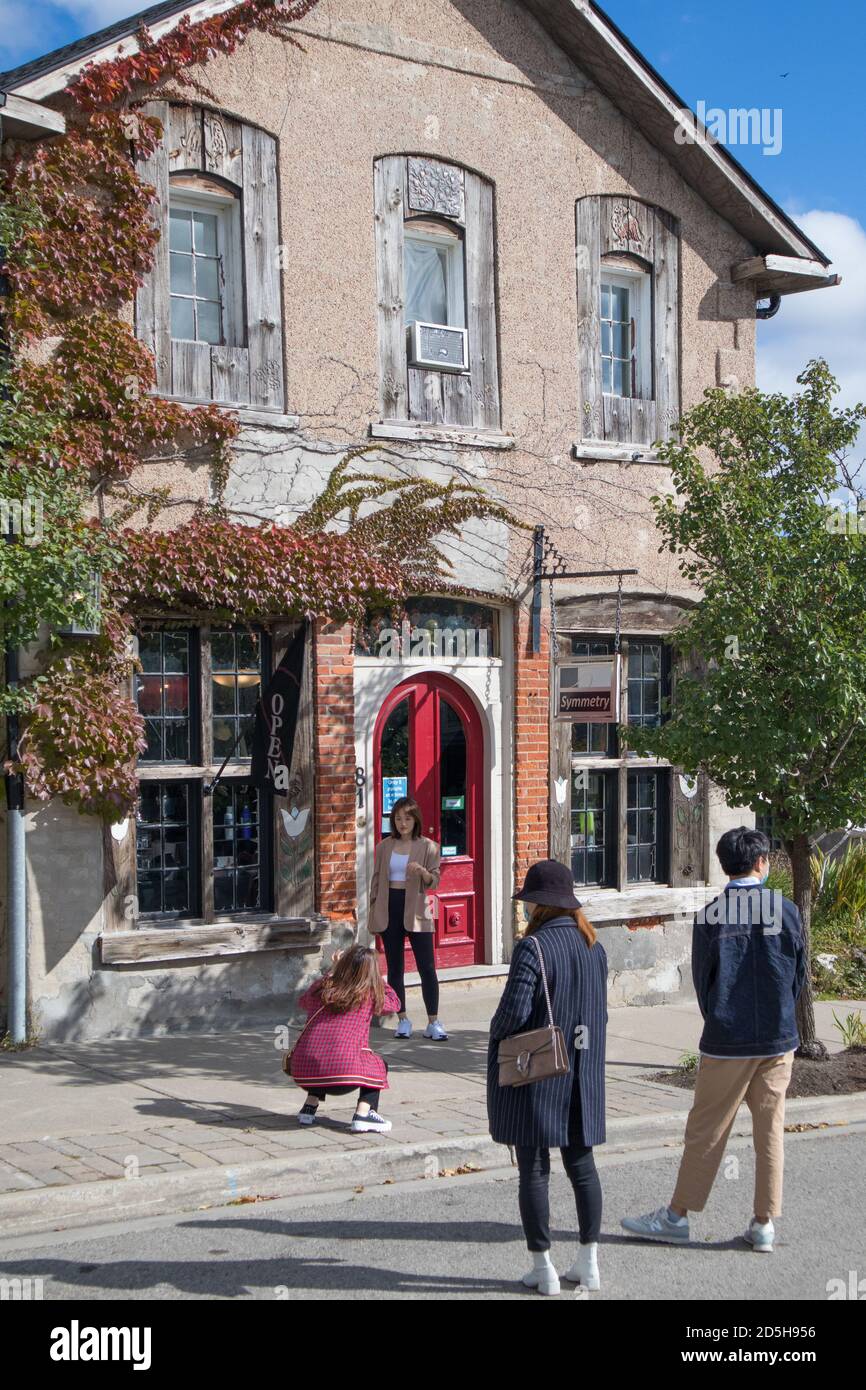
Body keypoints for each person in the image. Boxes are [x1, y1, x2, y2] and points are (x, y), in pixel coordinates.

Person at [621, 826, 806, 1253]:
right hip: (778, 1037)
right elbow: (798, 974)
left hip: (728, 1038)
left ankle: (677, 1216)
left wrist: (720, 1017)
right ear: (761, 862)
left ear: (724, 865)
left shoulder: (711, 915)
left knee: (706, 1131)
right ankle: (764, 1223)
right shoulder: (786, 910)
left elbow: (704, 985)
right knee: (770, 1130)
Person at [487, 859, 608, 1295]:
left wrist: (493, 1033)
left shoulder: (533, 948)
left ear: (537, 904)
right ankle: (589, 1263)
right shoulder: (594, 944)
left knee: (534, 1169)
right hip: (584, 1069)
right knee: (582, 1166)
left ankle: (544, 1268)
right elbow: (602, 1014)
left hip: (539, 1070)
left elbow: (514, 1013)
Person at [289, 944, 402, 1133]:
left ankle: (309, 1107)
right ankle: (363, 1114)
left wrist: (333, 971)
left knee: (323, 1050)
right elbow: (395, 1004)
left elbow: (303, 1001)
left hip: (303, 1071)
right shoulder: (370, 994)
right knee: (379, 1064)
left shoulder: (322, 988)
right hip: (343, 1077)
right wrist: (377, 979)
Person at [368, 795, 447, 1040]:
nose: (403, 823)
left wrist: (422, 872)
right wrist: (373, 907)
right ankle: (402, 1019)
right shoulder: (384, 846)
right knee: (395, 969)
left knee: (427, 967)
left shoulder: (429, 846)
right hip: (389, 905)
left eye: (408, 818)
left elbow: (435, 881)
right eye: (398, 818)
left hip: (419, 909)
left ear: (416, 820)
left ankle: (433, 1022)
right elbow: (376, 879)